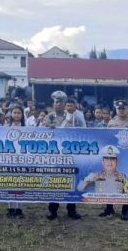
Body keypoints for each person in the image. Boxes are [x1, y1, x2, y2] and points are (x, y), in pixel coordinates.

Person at [44, 91, 84, 220]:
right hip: (54, 155)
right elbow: (39, 133)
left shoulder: (73, 118)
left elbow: (82, 134)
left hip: (69, 155)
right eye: (56, 102)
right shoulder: (48, 117)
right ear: (53, 103)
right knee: (53, 183)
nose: (59, 104)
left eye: (62, 102)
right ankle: (53, 210)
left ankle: (71, 209)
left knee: (71, 181)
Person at [5, 106, 26, 218]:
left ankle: (19, 208)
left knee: (20, 184)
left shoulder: (27, 128)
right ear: (11, 114)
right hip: (9, 158)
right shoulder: (6, 127)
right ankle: (10, 208)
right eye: (15, 112)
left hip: (22, 159)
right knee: (10, 183)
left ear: (22, 115)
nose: (17, 115)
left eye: (19, 113)